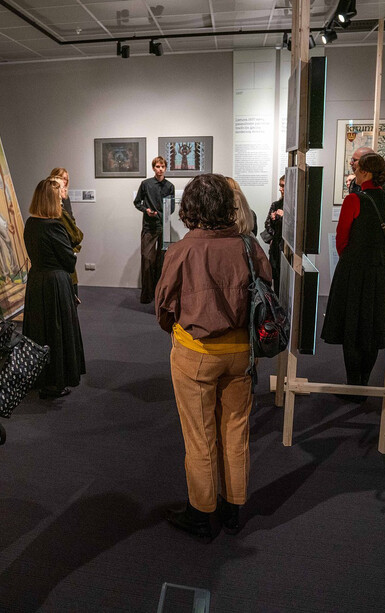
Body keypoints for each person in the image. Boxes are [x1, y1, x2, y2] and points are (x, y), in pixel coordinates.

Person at [155, 173, 271, 540]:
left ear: (189, 209)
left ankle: (201, 514)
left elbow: (163, 306)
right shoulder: (249, 245)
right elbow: (265, 290)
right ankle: (234, 508)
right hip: (242, 353)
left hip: (197, 354)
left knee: (200, 436)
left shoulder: (182, 250)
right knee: (236, 431)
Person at [322, 152, 385, 393]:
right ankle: (364, 382)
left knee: (352, 325)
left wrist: (350, 260)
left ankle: (354, 385)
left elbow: (342, 239)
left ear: (364, 172)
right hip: (380, 270)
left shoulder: (354, 200)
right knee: (372, 325)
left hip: (354, 270)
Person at [23, 179, 86, 399]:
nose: (62, 198)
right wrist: (72, 255)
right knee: (56, 330)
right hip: (55, 283)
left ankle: (39, 375)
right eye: (59, 195)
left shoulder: (31, 223)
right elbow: (68, 261)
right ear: (51, 199)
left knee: (40, 330)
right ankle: (55, 381)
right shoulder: (54, 226)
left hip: (36, 281)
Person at [133, 156, 175, 304]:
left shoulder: (169, 186)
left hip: (163, 227)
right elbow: (137, 202)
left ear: (165, 168)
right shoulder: (146, 184)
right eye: (157, 166)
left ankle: (159, 295)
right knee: (147, 259)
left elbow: (172, 208)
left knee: (162, 261)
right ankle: (146, 295)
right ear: (153, 168)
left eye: (162, 166)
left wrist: (161, 215)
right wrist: (147, 210)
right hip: (149, 227)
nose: (160, 169)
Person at [50, 169, 84, 297]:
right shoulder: (58, 212)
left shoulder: (35, 219)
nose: (64, 182)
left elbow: (72, 219)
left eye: (66, 179)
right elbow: (77, 236)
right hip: (62, 255)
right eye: (61, 178)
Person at [260, 174, 286, 293]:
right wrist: (274, 220)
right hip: (276, 248)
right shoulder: (276, 205)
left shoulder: (297, 207)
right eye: (280, 186)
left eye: (283, 186)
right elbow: (267, 224)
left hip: (287, 249)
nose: (280, 189)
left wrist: (284, 217)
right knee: (275, 277)